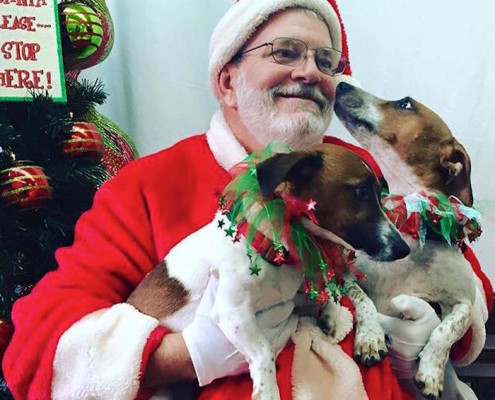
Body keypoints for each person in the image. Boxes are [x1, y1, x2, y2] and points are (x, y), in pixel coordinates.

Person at [3, 0, 492, 399]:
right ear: (227, 81)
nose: (310, 72)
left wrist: (428, 333)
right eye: (285, 52)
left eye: (326, 61)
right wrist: (191, 355)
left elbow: (465, 284)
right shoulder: (148, 185)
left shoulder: (360, 171)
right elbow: (40, 348)